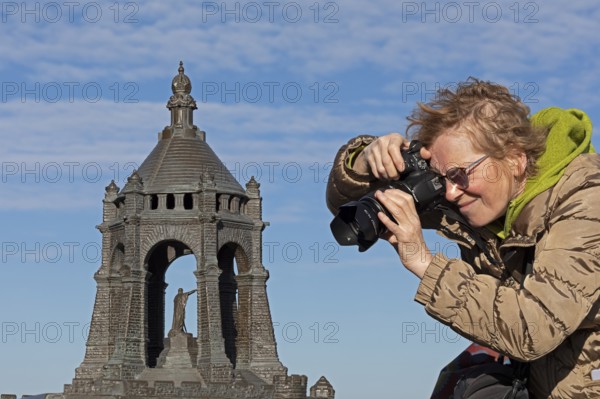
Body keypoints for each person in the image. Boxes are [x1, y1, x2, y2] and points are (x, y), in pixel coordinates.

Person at [326, 78, 600, 398]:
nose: (452, 192)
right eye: (442, 180)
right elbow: (344, 209)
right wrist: (365, 160)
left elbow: (533, 328)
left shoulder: (586, 202)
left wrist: (424, 263)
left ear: (515, 158)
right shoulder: (479, 197)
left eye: (460, 174)